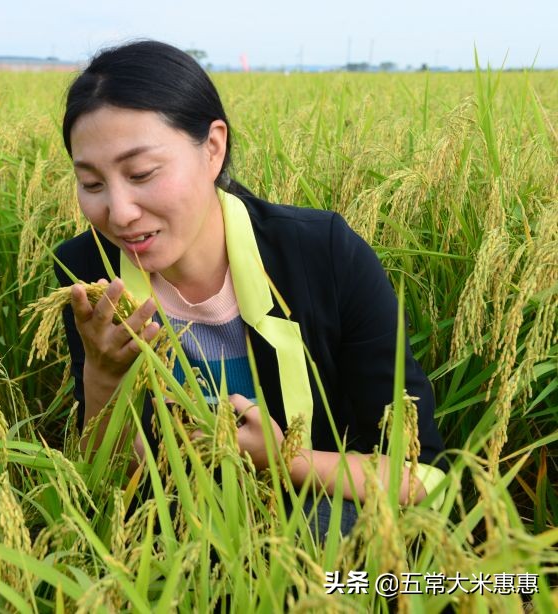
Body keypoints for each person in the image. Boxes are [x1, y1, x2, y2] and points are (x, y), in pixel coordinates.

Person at [52, 40, 448, 540]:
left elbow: (421, 475)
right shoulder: (88, 269)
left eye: (141, 174)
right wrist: (104, 375)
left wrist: (286, 459)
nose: (120, 211)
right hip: (176, 536)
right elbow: (106, 488)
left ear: (213, 147)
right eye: (91, 184)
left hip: (322, 528)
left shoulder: (323, 254)